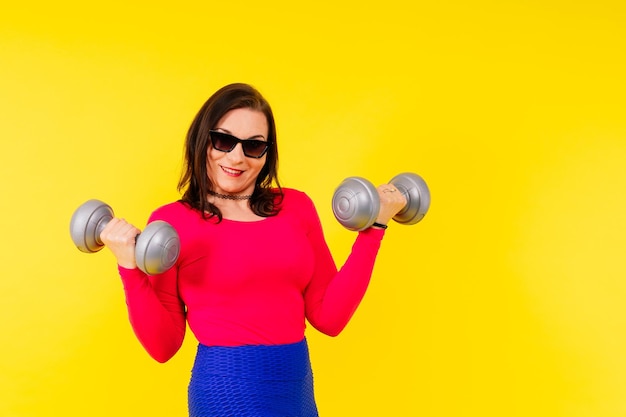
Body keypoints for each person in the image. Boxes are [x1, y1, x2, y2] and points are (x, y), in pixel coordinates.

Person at [100, 83, 407, 417]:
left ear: (266, 152)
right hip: (226, 389)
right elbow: (163, 347)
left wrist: (373, 229)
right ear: (203, 141)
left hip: (296, 387)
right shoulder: (171, 224)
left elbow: (329, 318)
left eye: (253, 146)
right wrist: (128, 267)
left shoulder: (296, 207)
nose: (236, 157)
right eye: (224, 140)